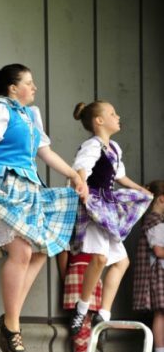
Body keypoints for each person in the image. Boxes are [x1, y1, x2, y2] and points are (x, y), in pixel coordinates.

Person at [0, 64, 86, 352]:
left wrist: (75, 175)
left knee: (41, 250)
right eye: (29, 82)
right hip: (4, 187)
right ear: (13, 88)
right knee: (23, 252)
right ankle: (12, 325)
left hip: (28, 188)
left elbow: (45, 153)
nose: (34, 87)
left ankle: (10, 319)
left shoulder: (29, 115)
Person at [69, 101, 152, 338]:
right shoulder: (92, 144)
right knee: (100, 257)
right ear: (99, 121)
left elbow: (121, 176)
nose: (118, 116)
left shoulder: (114, 147)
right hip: (94, 203)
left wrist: (142, 190)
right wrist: (82, 185)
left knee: (121, 262)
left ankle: (103, 314)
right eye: (112, 113)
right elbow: (82, 167)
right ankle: (82, 308)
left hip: (108, 205)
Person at [133, 180, 164, 352]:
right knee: (161, 312)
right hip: (158, 274)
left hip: (158, 273)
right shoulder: (155, 221)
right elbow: (159, 250)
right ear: (161, 199)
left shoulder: (153, 221)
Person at [60, 250, 106, 352]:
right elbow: (63, 251)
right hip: (85, 268)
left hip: (90, 269)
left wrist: (64, 275)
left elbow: (63, 253)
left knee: (85, 318)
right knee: (83, 318)